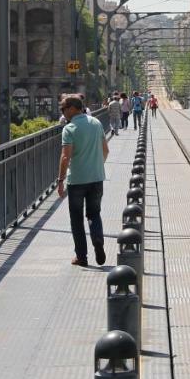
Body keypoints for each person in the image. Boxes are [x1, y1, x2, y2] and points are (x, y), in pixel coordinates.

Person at [58, 95, 109, 267]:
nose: (62, 112)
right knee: (94, 213)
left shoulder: (69, 128)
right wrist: (96, 165)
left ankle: (82, 257)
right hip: (96, 177)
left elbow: (65, 157)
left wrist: (60, 180)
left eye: (63, 108)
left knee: (77, 219)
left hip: (77, 180)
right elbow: (106, 150)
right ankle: (98, 240)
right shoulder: (96, 123)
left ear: (72, 108)